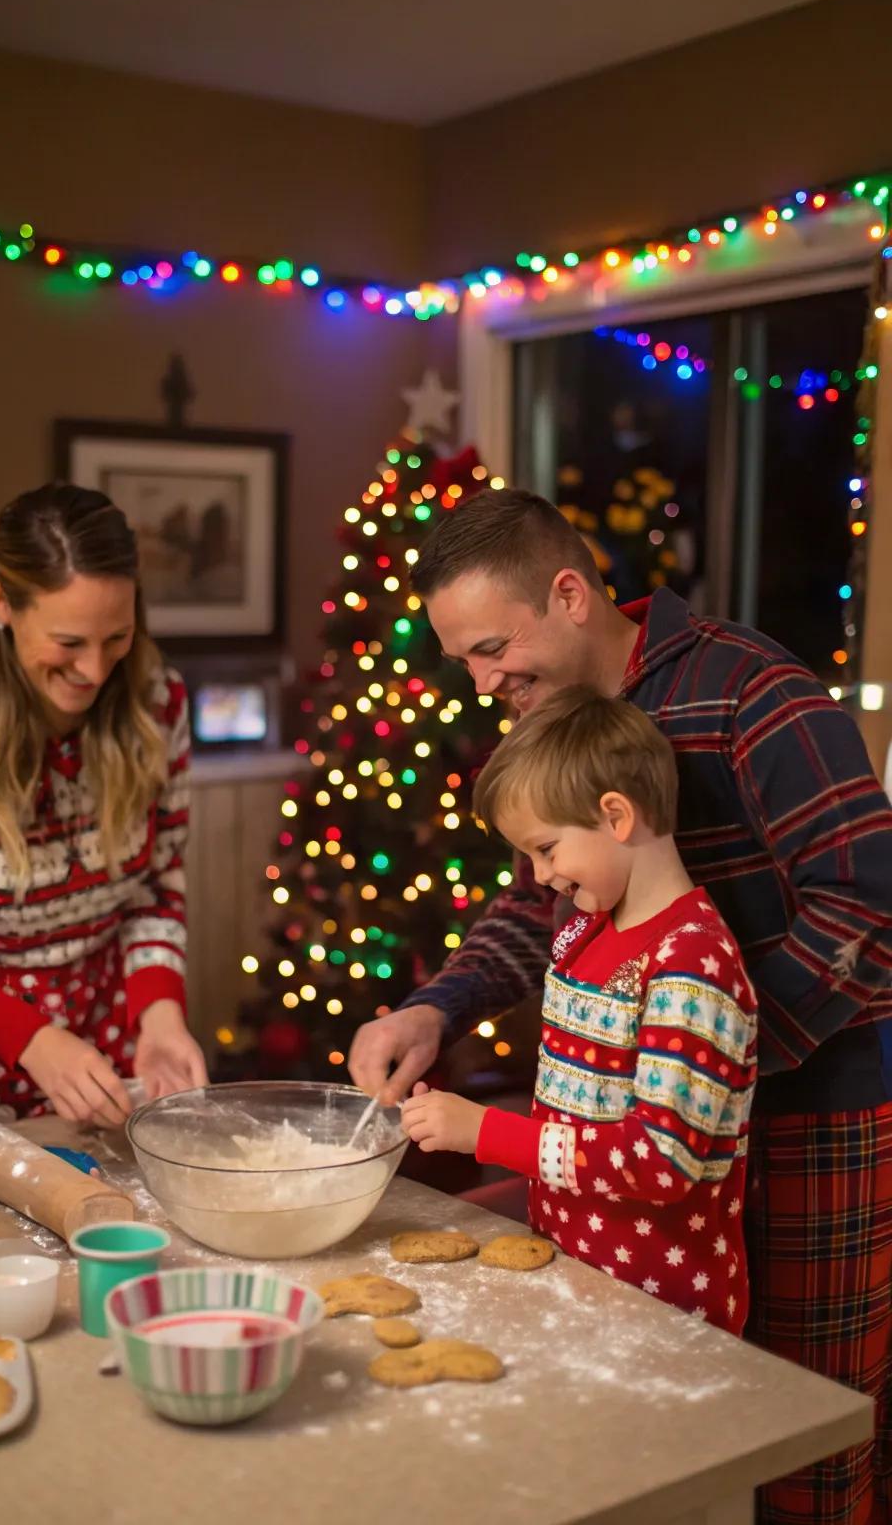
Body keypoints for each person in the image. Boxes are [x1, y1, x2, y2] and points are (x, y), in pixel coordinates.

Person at [350, 489, 892, 1524]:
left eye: (492, 647)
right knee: (672, 1443)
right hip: (664, 1136)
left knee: (803, 1441)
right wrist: (435, 1011)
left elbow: (865, 895)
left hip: (814, 1114)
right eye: (464, 659)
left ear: (567, 593)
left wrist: (704, 1067)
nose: (482, 681)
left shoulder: (750, 690)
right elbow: (535, 905)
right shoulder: (556, 729)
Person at [401, 686, 758, 1332]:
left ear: (617, 815)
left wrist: (484, 1132)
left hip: (664, 1309)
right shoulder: (583, 934)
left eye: (546, 848)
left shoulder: (691, 965)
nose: (540, 876)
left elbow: (659, 1159)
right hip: (575, 1278)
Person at [0, 483, 206, 1127]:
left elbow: (155, 888)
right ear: (3, 604)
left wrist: (160, 1018)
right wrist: (32, 1040)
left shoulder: (159, 705)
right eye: (70, 641)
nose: (97, 669)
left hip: (100, 1050)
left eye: (119, 636)